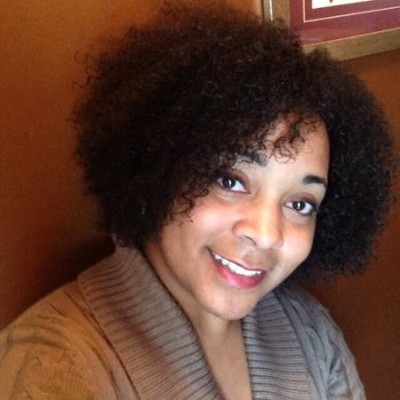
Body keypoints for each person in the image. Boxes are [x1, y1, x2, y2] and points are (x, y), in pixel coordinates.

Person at [0, 1, 395, 399]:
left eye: (301, 204)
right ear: (160, 164)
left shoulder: (311, 334)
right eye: (231, 179)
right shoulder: (54, 367)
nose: (266, 234)